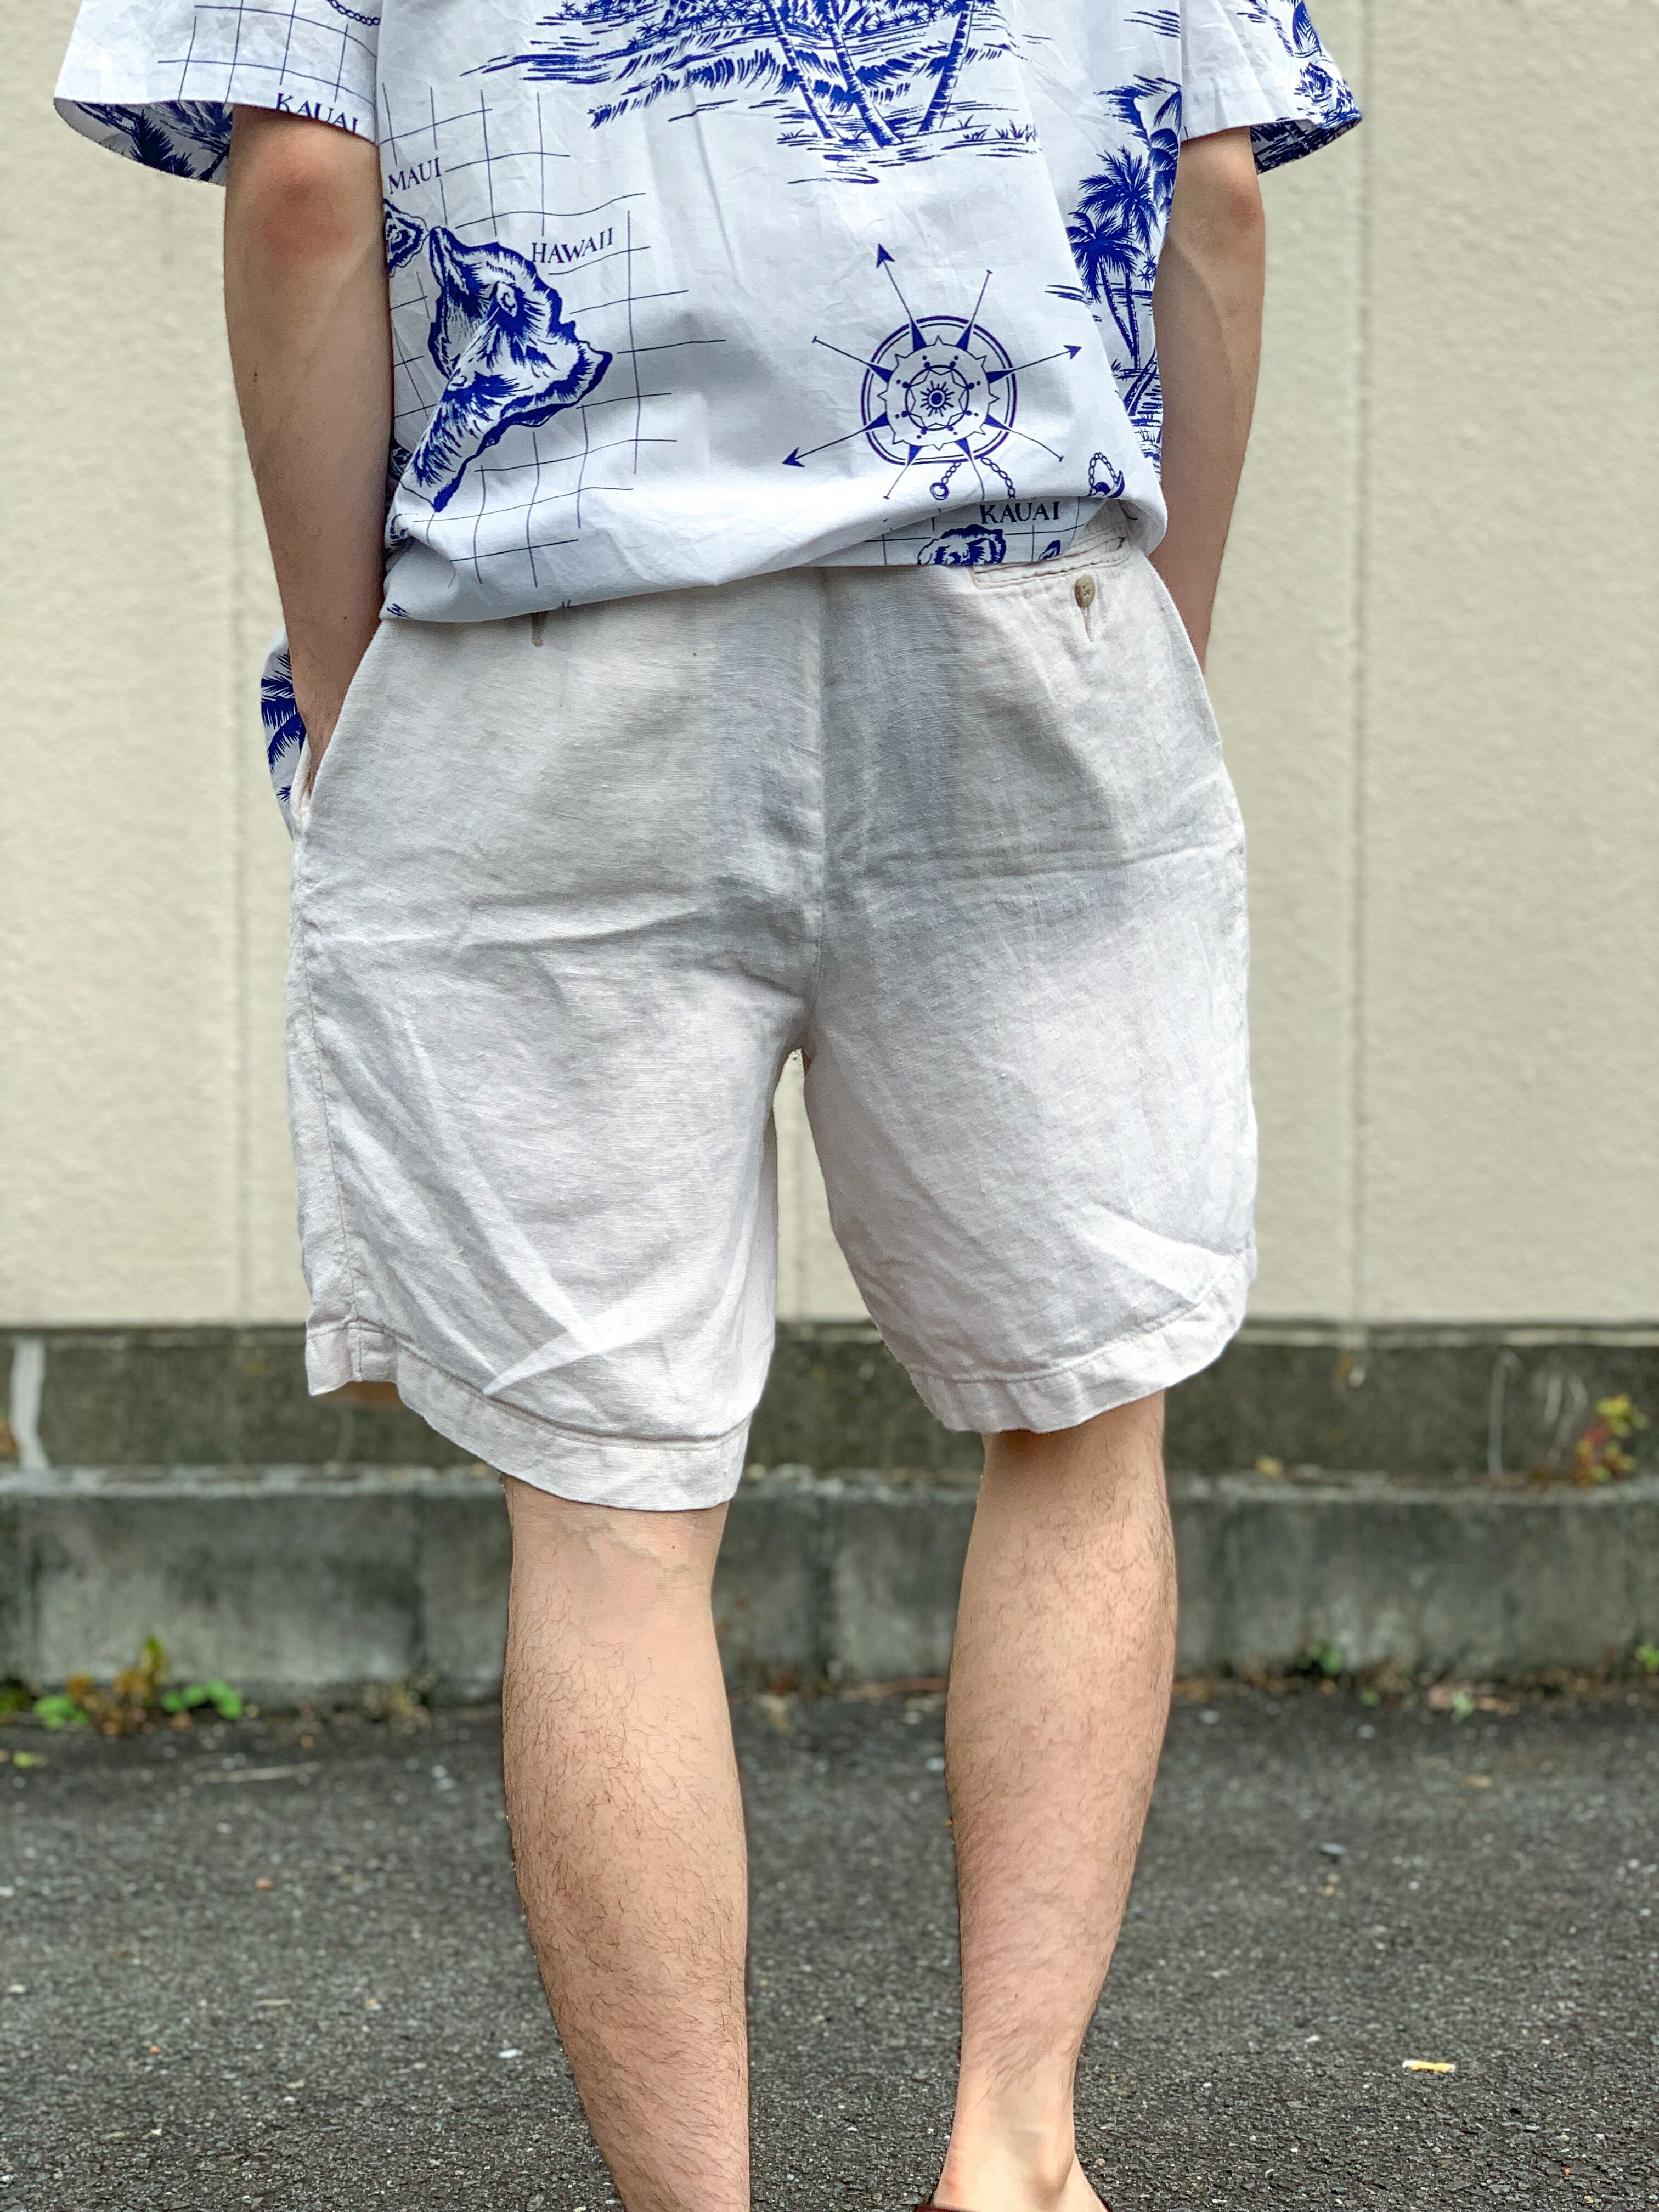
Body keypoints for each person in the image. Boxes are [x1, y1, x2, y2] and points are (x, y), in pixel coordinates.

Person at [55, 5, 1357, 2206]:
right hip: (1027, 619)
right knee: (1081, 1422)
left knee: (609, 1506)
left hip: (545, 649)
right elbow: (1213, 196)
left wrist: (358, 688)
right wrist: (1158, 641)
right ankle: (1015, 2149)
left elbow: (301, 191)